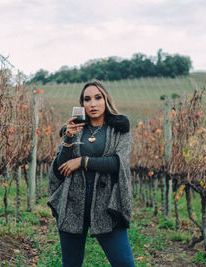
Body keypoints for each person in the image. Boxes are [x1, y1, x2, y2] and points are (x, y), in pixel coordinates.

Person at [47, 80, 135, 267]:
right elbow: (61, 168)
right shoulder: (74, 129)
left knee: (124, 264)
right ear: (82, 104)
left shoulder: (119, 129)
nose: (92, 104)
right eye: (87, 99)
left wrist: (82, 161)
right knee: (71, 264)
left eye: (97, 98)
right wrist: (68, 139)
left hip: (108, 206)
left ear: (106, 100)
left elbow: (118, 163)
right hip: (72, 204)